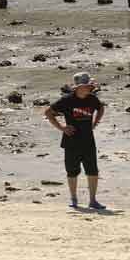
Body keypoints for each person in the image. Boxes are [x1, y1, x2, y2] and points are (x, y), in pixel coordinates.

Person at [44, 72, 106, 210]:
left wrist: (95, 122)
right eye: (85, 86)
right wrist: (62, 127)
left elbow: (101, 108)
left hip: (89, 141)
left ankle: (93, 200)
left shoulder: (92, 99)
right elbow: (48, 112)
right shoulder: (67, 100)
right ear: (78, 87)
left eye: (89, 86)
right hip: (71, 141)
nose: (88, 88)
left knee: (93, 171)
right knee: (72, 171)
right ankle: (74, 199)